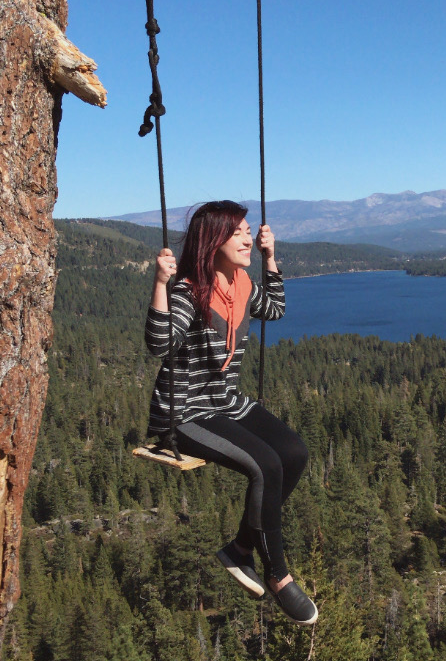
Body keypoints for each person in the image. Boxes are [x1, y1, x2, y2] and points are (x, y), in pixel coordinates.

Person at [145, 200, 317, 625]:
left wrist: (270, 259)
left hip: (225, 403)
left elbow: (274, 308)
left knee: (293, 453)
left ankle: (240, 547)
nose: (248, 236)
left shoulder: (241, 284)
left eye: (248, 230)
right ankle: (278, 576)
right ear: (212, 240)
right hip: (185, 414)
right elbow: (159, 345)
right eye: (238, 231)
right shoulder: (189, 290)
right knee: (265, 466)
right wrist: (161, 285)